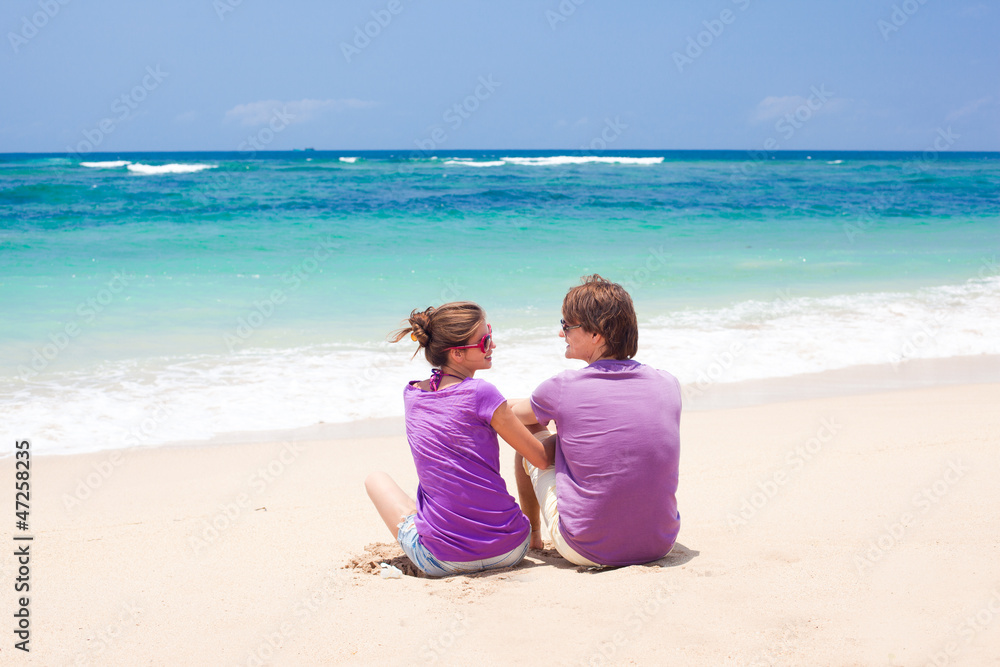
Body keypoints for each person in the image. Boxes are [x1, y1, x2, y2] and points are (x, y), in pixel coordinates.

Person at [364, 301, 551, 577]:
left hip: (441, 561)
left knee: (375, 479)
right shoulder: (483, 394)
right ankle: (534, 533)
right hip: (511, 547)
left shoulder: (413, 395)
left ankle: (444, 525)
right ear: (457, 355)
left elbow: (469, 408)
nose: (493, 346)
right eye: (485, 341)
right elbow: (541, 459)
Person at [511, 275, 682, 568]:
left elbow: (510, 416)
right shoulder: (667, 382)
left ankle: (534, 535)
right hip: (660, 543)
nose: (561, 333)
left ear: (596, 335)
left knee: (528, 432)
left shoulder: (563, 387)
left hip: (586, 548)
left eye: (567, 325)